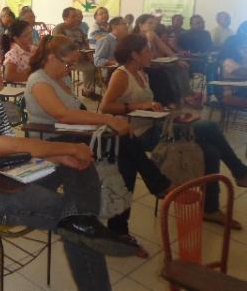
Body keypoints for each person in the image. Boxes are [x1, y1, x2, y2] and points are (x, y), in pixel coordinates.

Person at [0, 46, 138, 291]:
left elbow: (15, 151)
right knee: (73, 221)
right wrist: (64, 151)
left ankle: (87, 221)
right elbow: (7, 146)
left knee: (77, 165)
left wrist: (57, 158)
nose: (1, 70)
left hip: (8, 174)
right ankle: (87, 228)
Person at [23, 35, 171, 256]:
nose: (70, 68)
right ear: (51, 58)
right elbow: (61, 115)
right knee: (123, 144)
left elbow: (76, 113)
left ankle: (123, 225)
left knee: (124, 158)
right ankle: (154, 188)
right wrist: (107, 119)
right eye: (68, 63)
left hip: (71, 134)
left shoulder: (59, 79)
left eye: (72, 63)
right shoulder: (38, 80)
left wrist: (102, 121)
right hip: (52, 141)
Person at [101, 34, 247, 229]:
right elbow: (106, 107)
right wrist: (139, 105)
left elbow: (151, 103)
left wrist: (168, 111)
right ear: (135, 55)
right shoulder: (121, 74)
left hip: (156, 126)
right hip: (138, 134)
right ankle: (239, 171)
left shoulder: (143, 73)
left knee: (211, 150)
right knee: (210, 127)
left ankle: (210, 208)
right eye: (147, 51)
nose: (151, 54)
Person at [133, 14, 199, 107]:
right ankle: (172, 101)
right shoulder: (135, 37)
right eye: (150, 23)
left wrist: (176, 59)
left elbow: (165, 48)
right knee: (166, 73)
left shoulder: (152, 33)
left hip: (156, 62)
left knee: (180, 66)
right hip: (143, 65)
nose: (153, 25)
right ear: (140, 25)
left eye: (153, 23)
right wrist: (149, 40)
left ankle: (185, 95)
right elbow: (147, 55)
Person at [53, 7, 96, 98]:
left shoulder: (79, 30)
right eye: (73, 17)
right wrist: (74, 54)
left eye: (77, 16)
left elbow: (86, 44)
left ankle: (88, 91)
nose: (77, 19)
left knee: (93, 67)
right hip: (66, 59)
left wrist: (89, 55)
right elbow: (58, 47)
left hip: (81, 57)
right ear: (65, 18)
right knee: (88, 69)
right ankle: (67, 93)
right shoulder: (59, 29)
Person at [217, 34, 247, 108]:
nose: (245, 49)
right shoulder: (228, 62)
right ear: (233, 49)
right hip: (233, 95)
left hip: (242, 92)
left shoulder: (240, 61)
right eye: (242, 47)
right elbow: (244, 73)